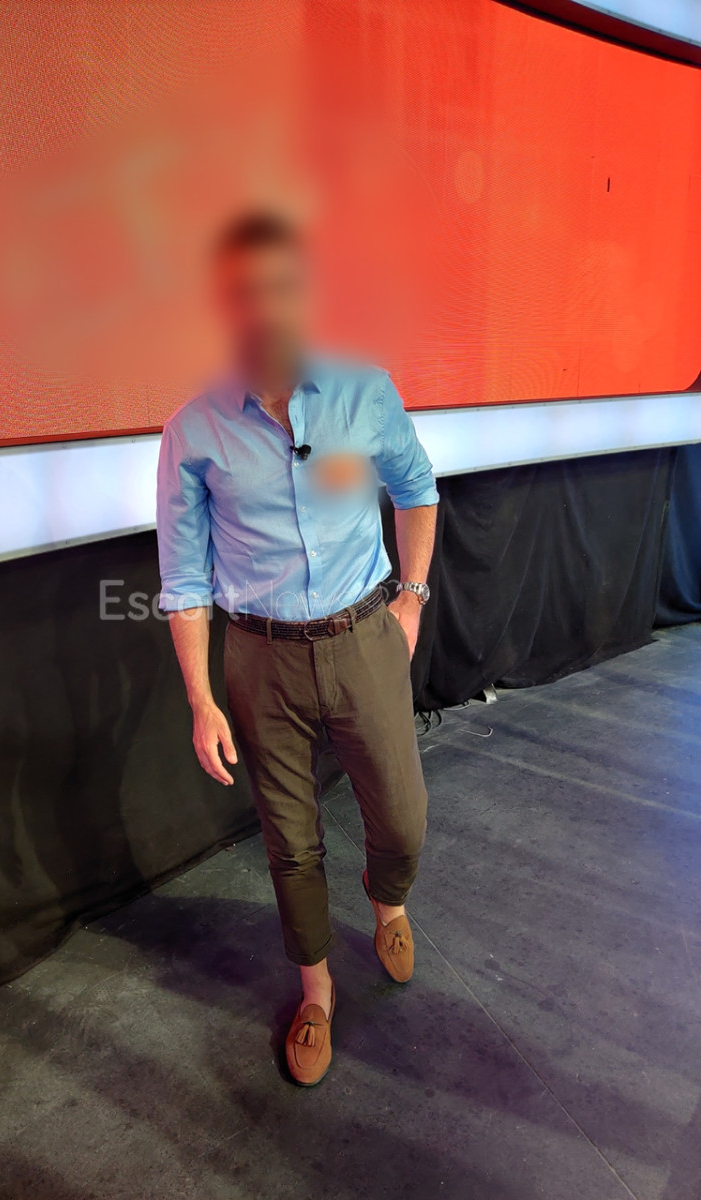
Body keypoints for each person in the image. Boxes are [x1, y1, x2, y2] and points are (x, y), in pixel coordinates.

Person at [156, 212, 439, 1086]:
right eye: (243, 292)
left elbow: (417, 489)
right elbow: (184, 579)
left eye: (278, 286)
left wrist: (412, 598)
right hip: (260, 657)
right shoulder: (192, 432)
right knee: (290, 842)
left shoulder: (365, 392)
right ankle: (315, 990)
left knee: (403, 819)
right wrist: (201, 698)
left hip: (364, 638)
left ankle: (386, 902)